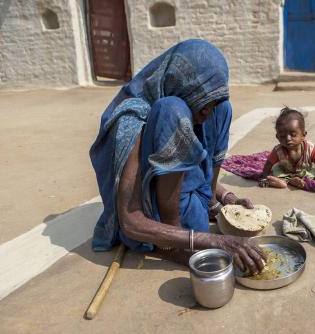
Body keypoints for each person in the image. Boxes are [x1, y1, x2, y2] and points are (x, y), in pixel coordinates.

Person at [89, 39, 265, 274]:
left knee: (222, 109)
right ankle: (171, 243)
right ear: (179, 82)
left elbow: (190, 167)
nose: (205, 111)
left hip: (195, 203)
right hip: (159, 223)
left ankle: (208, 203)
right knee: (171, 110)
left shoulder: (201, 108)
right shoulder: (133, 119)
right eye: (202, 100)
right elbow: (131, 221)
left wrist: (226, 198)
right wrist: (212, 241)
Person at [258, 107, 315, 189]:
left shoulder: (311, 148)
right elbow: (268, 166)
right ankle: (285, 181)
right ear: (277, 137)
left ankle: (290, 181)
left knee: (312, 175)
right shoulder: (278, 151)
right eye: (282, 136)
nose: (288, 139)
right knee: (276, 171)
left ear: (303, 135)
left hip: (304, 171)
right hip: (284, 172)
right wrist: (264, 178)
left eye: (293, 135)